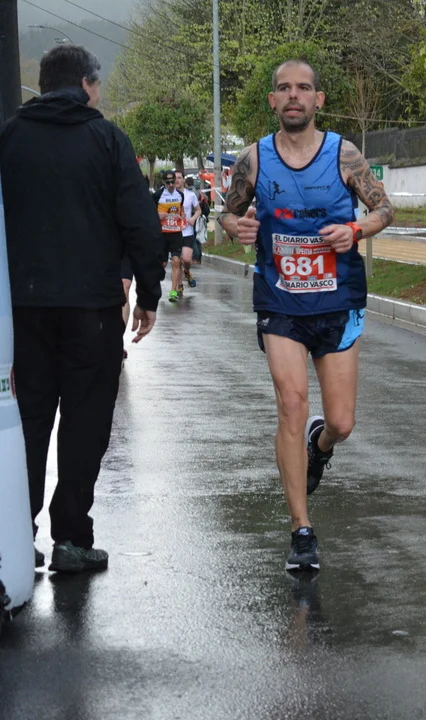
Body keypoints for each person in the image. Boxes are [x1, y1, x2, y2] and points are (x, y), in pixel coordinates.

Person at [217, 58, 394, 571]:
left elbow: (385, 210)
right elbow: (226, 211)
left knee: (341, 420)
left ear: (318, 100)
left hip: (337, 299)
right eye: (284, 88)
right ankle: (301, 530)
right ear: (273, 100)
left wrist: (356, 231)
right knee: (291, 404)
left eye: (303, 88)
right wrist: (234, 226)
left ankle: (322, 445)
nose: (293, 95)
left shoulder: (344, 154)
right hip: (280, 300)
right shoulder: (254, 159)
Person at [0, 44, 163, 572]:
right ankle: (71, 539)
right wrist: (149, 293)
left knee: (26, 422)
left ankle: (14, 539)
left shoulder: (9, 137)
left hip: (22, 311)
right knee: (85, 423)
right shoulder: (108, 140)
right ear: (88, 85)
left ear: (45, 85)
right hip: (92, 309)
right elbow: (140, 223)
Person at [154, 170, 198, 301]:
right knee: (162, 264)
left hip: (176, 233)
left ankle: (174, 291)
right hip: (162, 234)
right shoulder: (157, 195)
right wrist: (157, 215)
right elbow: (147, 210)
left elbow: (181, 209)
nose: (171, 184)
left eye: (173, 181)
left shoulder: (180, 195)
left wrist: (182, 215)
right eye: (168, 182)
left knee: (176, 261)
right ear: (163, 182)